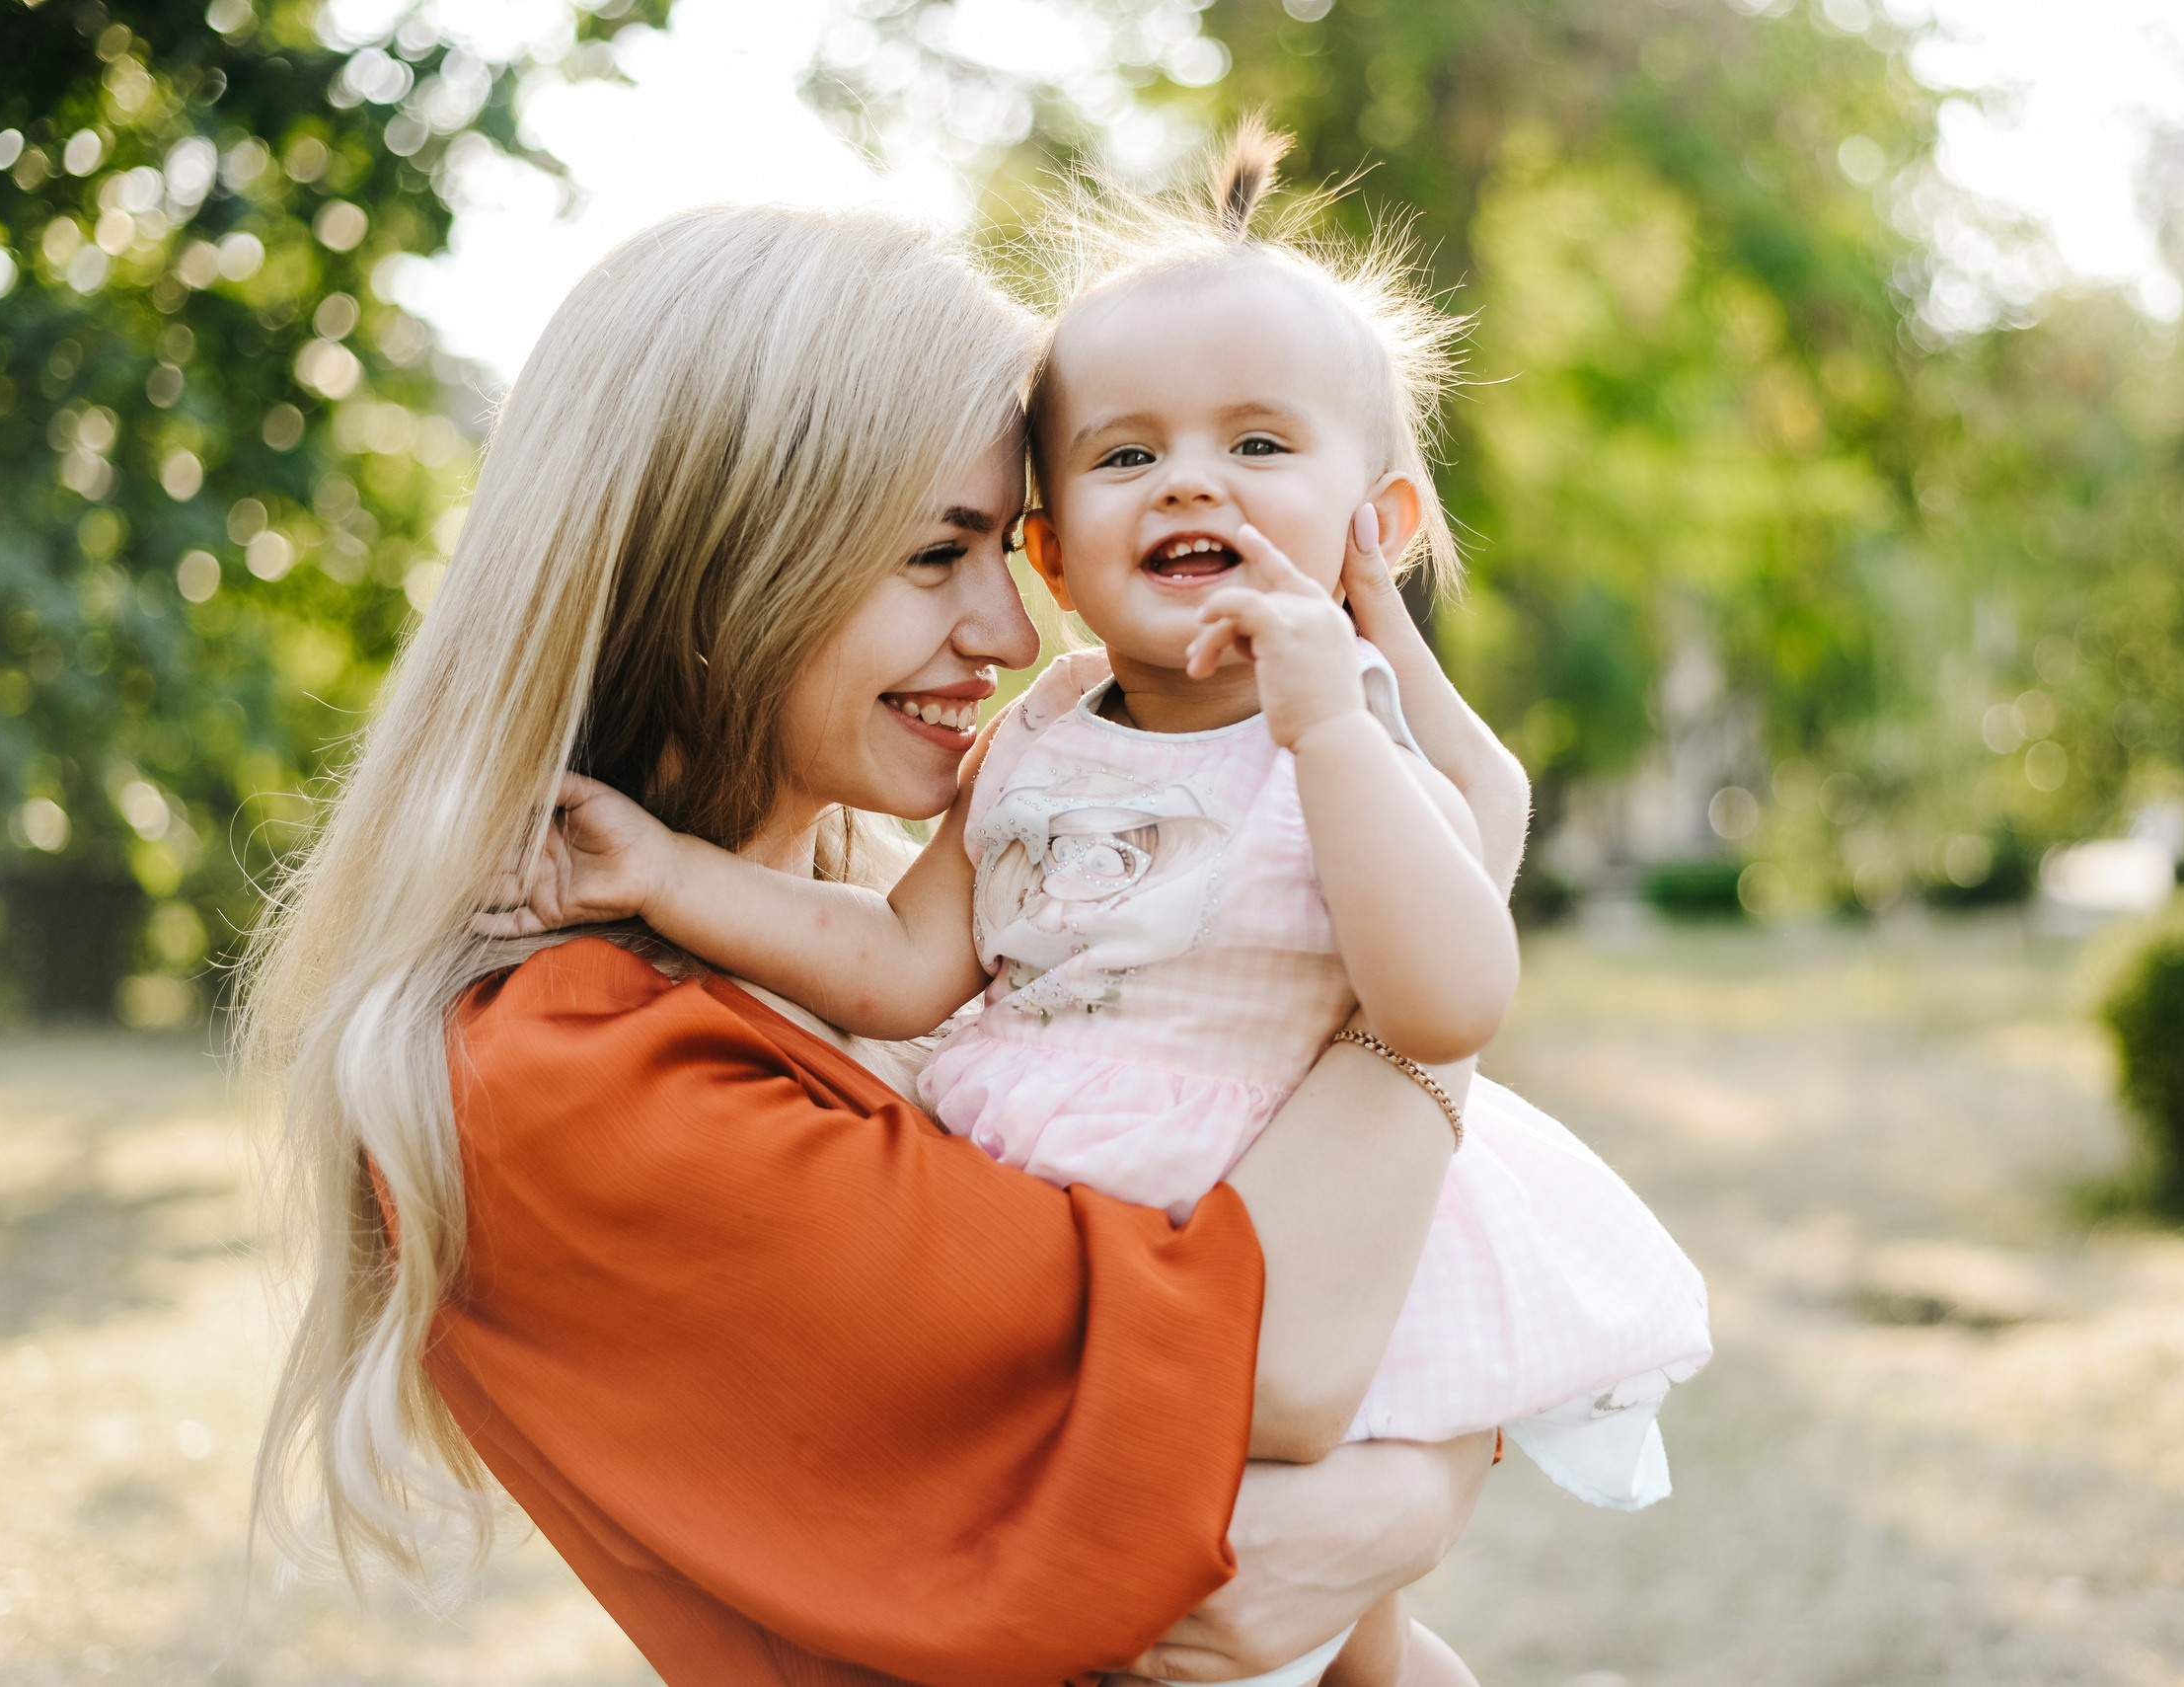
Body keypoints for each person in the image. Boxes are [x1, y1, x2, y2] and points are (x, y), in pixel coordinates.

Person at [478, 130, 1712, 1687]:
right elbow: (913, 972)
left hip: (1251, 1172)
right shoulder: (1016, 765)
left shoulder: (1340, 742)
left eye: (1262, 447)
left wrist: (1356, 741)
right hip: (1175, 1233)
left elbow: (1449, 1005)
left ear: (1376, 528)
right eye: (1121, 460)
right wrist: (658, 869)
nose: (998, 627)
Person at [240, 204, 1527, 1685]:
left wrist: (1406, 1496)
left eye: (1007, 546)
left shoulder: (849, 934)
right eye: (938, 552)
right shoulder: (557, 1063)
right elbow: (1269, 1367)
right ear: (725, 562)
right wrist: (1439, 949)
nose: (1011, 625)